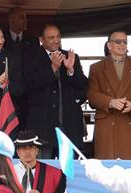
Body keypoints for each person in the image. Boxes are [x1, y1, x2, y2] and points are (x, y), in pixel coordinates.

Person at [24, 24, 88, 157]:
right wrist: (52, 68)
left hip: (68, 123)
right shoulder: (30, 56)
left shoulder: (70, 56)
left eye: (58, 36)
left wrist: (70, 70)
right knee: (43, 169)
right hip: (43, 125)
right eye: (51, 37)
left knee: (69, 171)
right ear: (42, 39)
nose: (56, 40)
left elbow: (82, 84)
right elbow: (29, 85)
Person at [87, 30, 131, 159]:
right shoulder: (96, 68)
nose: (122, 44)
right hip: (107, 125)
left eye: (125, 42)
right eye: (118, 41)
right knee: (106, 170)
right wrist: (110, 102)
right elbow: (91, 95)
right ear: (109, 45)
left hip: (127, 121)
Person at [3, 7, 40, 129]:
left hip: (29, 96)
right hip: (8, 95)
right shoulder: (1, 39)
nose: (25, 20)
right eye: (21, 17)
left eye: (26, 17)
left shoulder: (33, 41)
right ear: (11, 20)